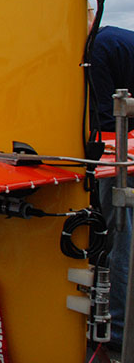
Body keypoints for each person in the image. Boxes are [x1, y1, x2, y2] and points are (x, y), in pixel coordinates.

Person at [89, 25, 134, 353]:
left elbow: (106, 119)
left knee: (121, 239)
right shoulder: (120, 38)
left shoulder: (99, 49)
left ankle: (117, 330)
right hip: (127, 152)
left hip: (120, 159)